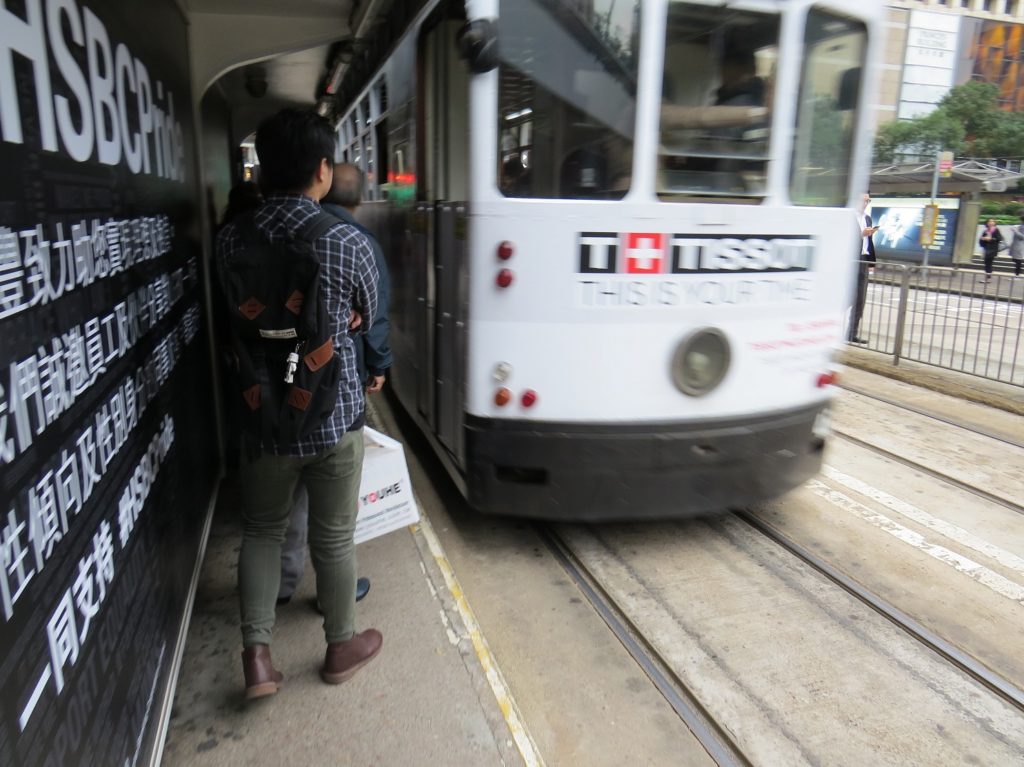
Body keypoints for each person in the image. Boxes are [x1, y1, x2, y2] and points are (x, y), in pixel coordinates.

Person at [216, 108, 382, 699]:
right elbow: (365, 309)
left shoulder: (231, 238)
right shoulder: (346, 240)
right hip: (331, 416)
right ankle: (340, 645)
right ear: (321, 171)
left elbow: (232, 316)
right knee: (334, 537)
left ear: (260, 172)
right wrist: (348, 319)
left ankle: (258, 659)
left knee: (262, 531)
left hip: (262, 416)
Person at [277, 163, 393, 607]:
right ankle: (334, 601)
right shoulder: (353, 243)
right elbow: (374, 314)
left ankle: (282, 587)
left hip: (267, 391)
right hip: (332, 392)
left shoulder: (244, 234)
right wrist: (378, 365)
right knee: (335, 516)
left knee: (277, 513)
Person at [849, 192, 876, 344]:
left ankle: (852, 333)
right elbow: (843, 238)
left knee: (860, 299)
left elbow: (869, 243)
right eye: (863, 200)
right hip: (851, 261)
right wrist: (861, 234)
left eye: (868, 201)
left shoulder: (867, 218)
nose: (865, 204)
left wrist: (872, 263)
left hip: (864, 260)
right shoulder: (848, 217)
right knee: (847, 298)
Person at [979, 218, 1004, 283]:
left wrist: (990, 239)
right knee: (987, 263)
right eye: (989, 221)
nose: (991, 222)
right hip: (986, 249)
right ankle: (988, 277)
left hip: (992, 249)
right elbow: (981, 240)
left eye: (992, 221)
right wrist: (983, 239)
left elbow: (999, 238)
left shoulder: (996, 230)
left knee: (988, 263)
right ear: (987, 223)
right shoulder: (986, 231)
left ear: (994, 223)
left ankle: (988, 278)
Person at [1007, 214, 1024, 278]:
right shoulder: (1021, 226)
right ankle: (1017, 275)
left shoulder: (1023, 227)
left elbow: (1022, 237)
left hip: (1019, 246)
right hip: (1016, 246)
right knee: (1016, 260)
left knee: (1018, 261)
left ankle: (1017, 275)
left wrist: (1015, 230)